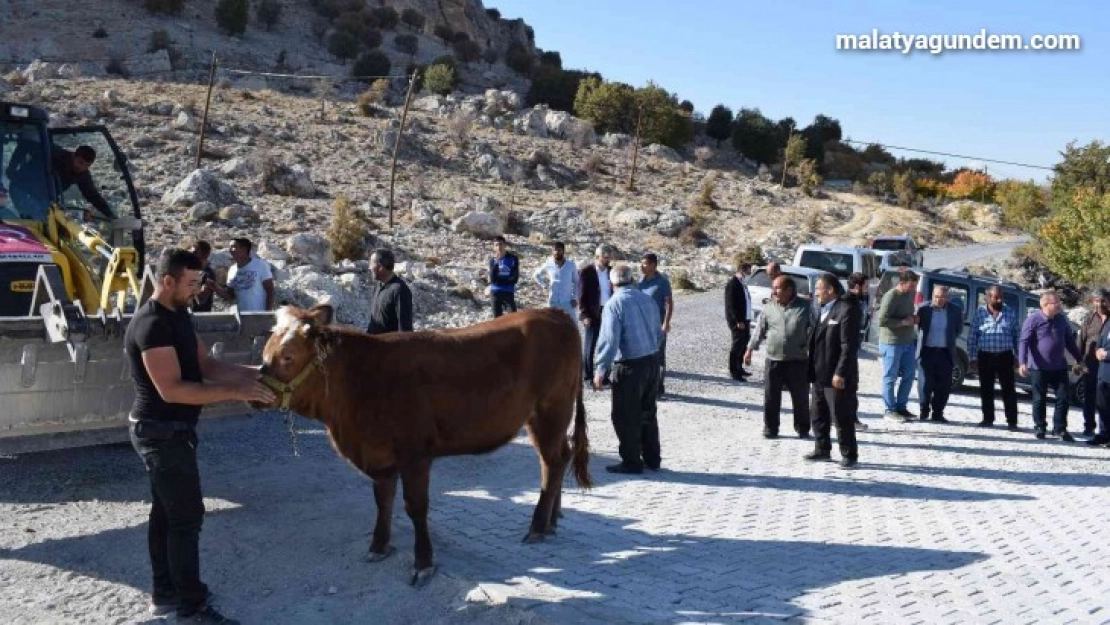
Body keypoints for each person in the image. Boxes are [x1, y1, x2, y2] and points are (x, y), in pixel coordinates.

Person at [125, 249, 274, 623]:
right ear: (168, 281)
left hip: (175, 431)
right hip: (160, 433)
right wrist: (239, 393)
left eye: (199, 282)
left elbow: (207, 365)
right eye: (190, 284)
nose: (197, 290)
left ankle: (165, 595)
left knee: (167, 515)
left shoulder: (179, 316)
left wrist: (258, 375)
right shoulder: (152, 325)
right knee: (186, 517)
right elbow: (172, 390)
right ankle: (192, 605)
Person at [593, 262, 663, 474]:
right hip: (652, 362)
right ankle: (652, 458)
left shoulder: (614, 304)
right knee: (648, 412)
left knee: (625, 415)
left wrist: (600, 369)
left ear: (611, 283)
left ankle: (632, 461)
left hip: (630, 366)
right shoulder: (647, 299)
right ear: (632, 280)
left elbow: (609, 340)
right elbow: (659, 333)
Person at [744, 275, 815, 439]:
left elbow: (815, 329)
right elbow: (759, 330)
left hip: (797, 360)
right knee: (771, 396)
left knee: (800, 397)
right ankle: (770, 428)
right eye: (773, 288)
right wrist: (749, 350)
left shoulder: (805, 307)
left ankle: (802, 428)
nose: (774, 291)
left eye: (777, 288)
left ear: (789, 290)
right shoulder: (769, 307)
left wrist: (810, 347)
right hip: (773, 359)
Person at [807, 273, 861, 468]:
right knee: (818, 413)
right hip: (819, 372)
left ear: (830, 290)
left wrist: (840, 372)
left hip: (836, 375)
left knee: (841, 415)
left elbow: (849, 346)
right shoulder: (819, 309)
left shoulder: (846, 310)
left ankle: (849, 454)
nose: (816, 292)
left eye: (819, 288)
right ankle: (822, 449)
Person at [1019, 290, 1084, 441]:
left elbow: (1069, 341)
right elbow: (1024, 341)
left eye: (1059, 302)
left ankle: (1059, 428)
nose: (1059, 306)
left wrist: (1079, 359)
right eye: (1056, 303)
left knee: (1063, 397)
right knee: (1039, 399)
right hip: (1039, 367)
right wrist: (1022, 362)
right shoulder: (1033, 320)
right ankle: (1040, 426)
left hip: (1059, 366)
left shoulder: (1061, 319)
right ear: (1045, 305)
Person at [968, 285, 1021, 430]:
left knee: (1008, 389)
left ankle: (1012, 421)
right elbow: (973, 336)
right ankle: (988, 418)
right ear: (988, 297)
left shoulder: (1010, 312)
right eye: (996, 297)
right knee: (986, 389)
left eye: (1001, 297)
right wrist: (972, 358)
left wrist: (1018, 357)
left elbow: (1017, 336)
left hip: (1005, 356)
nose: (999, 299)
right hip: (985, 356)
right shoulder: (980, 313)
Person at [915, 285, 963, 423]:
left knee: (943, 386)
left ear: (947, 297)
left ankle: (938, 413)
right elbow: (917, 327)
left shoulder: (955, 310)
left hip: (945, 353)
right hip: (927, 352)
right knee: (925, 384)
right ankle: (924, 410)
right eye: (937, 297)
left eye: (942, 297)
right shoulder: (923, 309)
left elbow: (958, 330)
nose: (939, 299)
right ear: (932, 295)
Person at [877, 271, 919, 422]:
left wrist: (914, 319)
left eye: (915, 285)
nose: (914, 288)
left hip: (907, 342)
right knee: (890, 377)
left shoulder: (909, 295)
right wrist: (902, 323)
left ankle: (901, 407)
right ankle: (889, 410)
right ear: (902, 283)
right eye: (911, 285)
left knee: (908, 375)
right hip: (891, 342)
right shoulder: (890, 296)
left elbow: (908, 314)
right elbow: (882, 320)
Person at [636, 253, 673, 397]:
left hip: (657, 326)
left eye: (644, 264)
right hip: (642, 325)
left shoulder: (662, 282)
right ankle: (646, 386)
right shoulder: (640, 282)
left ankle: (658, 387)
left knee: (658, 357)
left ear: (653, 265)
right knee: (644, 356)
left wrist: (666, 322)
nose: (641, 266)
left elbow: (669, 303)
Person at [578, 244, 614, 382]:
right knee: (590, 346)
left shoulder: (611, 271)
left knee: (607, 344)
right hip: (593, 312)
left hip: (609, 311)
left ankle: (603, 376)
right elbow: (581, 296)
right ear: (597, 257)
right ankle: (587, 376)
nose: (608, 259)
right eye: (605, 257)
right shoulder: (586, 272)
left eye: (609, 257)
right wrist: (584, 314)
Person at [1077, 289, 1110, 437]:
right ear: (1093, 302)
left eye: (1103, 300)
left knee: (1105, 398)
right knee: (1089, 396)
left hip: (1107, 366)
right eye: (1097, 300)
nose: (1100, 304)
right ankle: (1089, 426)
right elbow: (1081, 341)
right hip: (1090, 364)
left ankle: (1105, 431)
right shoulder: (1089, 319)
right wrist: (1079, 362)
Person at [52, 145, 115, 219]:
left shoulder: (83, 174)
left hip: (50, 196)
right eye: (80, 162)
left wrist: (111, 216)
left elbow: (93, 196)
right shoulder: (56, 155)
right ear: (73, 156)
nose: (81, 168)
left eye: (87, 165)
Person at [845, 272, 871, 431]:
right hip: (846, 352)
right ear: (857, 287)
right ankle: (849, 420)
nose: (868, 289)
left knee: (851, 387)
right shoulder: (848, 303)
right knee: (848, 387)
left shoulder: (858, 301)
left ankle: (849, 418)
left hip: (852, 350)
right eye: (866, 286)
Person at [366, 248, 414, 335]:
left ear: (380, 267)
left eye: (371, 264)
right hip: (374, 344)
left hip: (389, 346)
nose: (369, 267)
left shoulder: (399, 290)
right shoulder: (378, 285)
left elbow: (405, 329)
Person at [221, 238, 274, 312]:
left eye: (234, 247)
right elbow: (230, 295)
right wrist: (214, 286)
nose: (231, 250)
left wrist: (268, 313)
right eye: (230, 247)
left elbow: (270, 290)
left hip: (259, 315)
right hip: (241, 317)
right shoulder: (232, 270)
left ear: (244, 249)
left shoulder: (260, 265)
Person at [532, 241, 578, 319]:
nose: (556, 252)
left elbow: (577, 281)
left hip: (567, 301)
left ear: (563, 251)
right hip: (553, 301)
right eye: (555, 250)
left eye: (559, 250)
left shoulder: (570, 265)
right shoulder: (549, 264)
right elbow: (536, 275)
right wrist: (544, 285)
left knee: (573, 325)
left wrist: (575, 298)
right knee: (551, 325)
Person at [724, 261, 754, 381]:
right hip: (738, 321)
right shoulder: (733, 284)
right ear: (742, 270)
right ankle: (733, 370)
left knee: (744, 342)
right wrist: (737, 320)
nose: (749, 273)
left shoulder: (742, 283)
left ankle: (739, 367)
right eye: (748, 271)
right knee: (737, 345)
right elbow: (731, 304)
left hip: (745, 319)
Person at [487, 235, 520, 317]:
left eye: (501, 244)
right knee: (497, 319)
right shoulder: (492, 260)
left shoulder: (513, 258)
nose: (499, 247)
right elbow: (491, 278)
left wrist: (499, 280)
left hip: (508, 292)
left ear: (505, 245)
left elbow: (515, 278)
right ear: (494, 247)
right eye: (496, 245)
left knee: (513, 317)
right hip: (495, 292)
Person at [1090, 319, 1110, 447]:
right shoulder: (1108, 322)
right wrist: (1097, 351)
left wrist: (1107, 354)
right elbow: (1101, 340)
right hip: (1103, 372)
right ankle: (1104, 435)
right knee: (1103, 406)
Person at [188, 241, 216, 313]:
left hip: (201, 317)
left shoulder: (208, 274)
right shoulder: (190, 271)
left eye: (194, 252)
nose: (190, 255)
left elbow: (201, 300)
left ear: (204, 255)